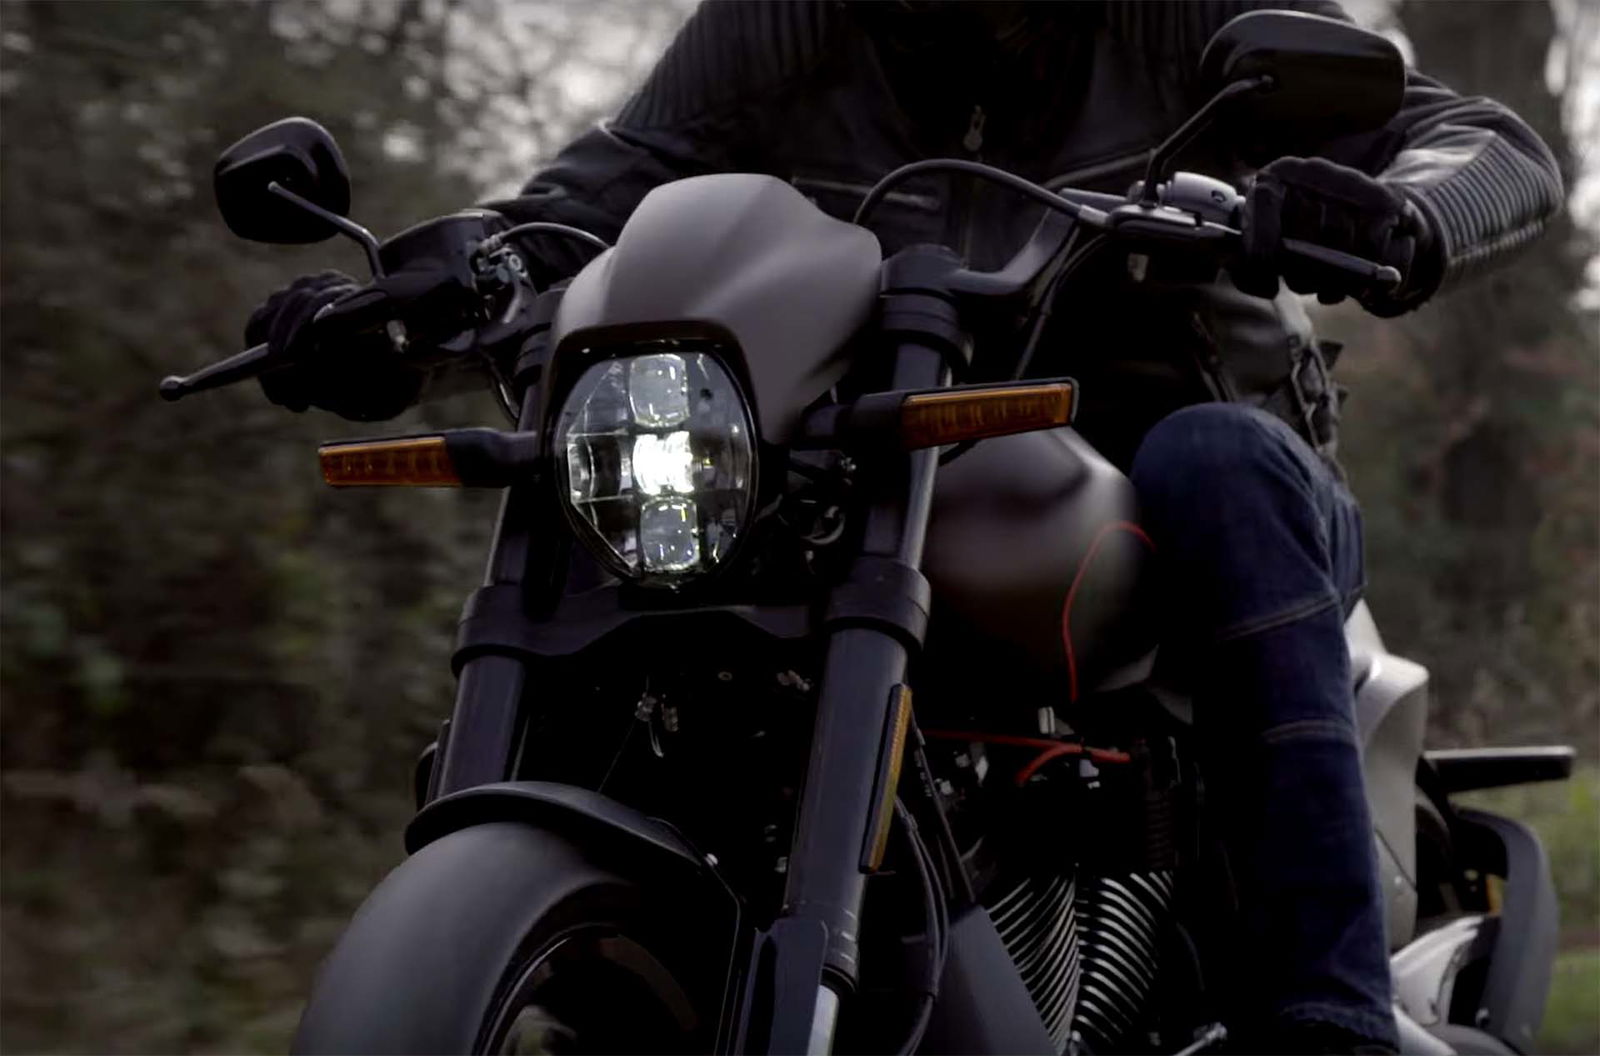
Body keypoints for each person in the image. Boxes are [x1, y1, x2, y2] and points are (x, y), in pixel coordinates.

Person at [246, 2, 1562, 1051]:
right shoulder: (780, 23)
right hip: (864, 459)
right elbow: (589, 200)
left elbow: (1487, 142)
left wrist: (1396, 210)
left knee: (1218, 462)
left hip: (1166, 449)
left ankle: (1328, 1019)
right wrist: (423, 299)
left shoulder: (1172, 13)